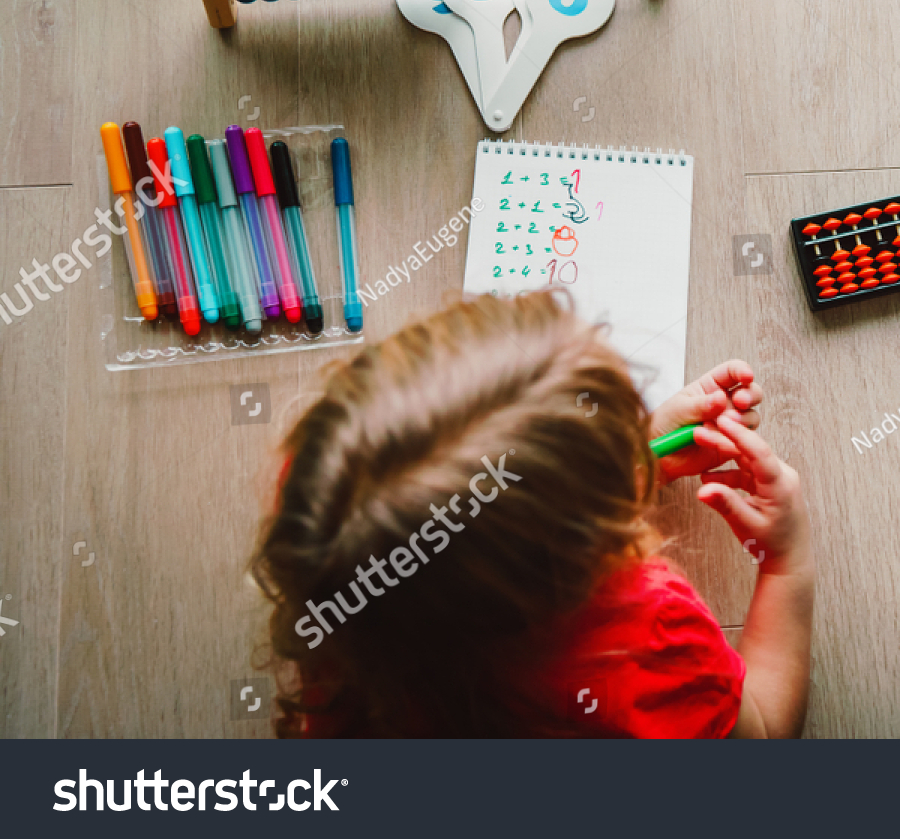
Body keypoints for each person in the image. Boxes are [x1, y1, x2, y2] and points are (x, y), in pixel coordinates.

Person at [253, 291, 814, 737]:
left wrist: (614, 464)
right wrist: (786, 562)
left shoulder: (329, 510)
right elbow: (761, 736)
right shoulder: (649, 640)